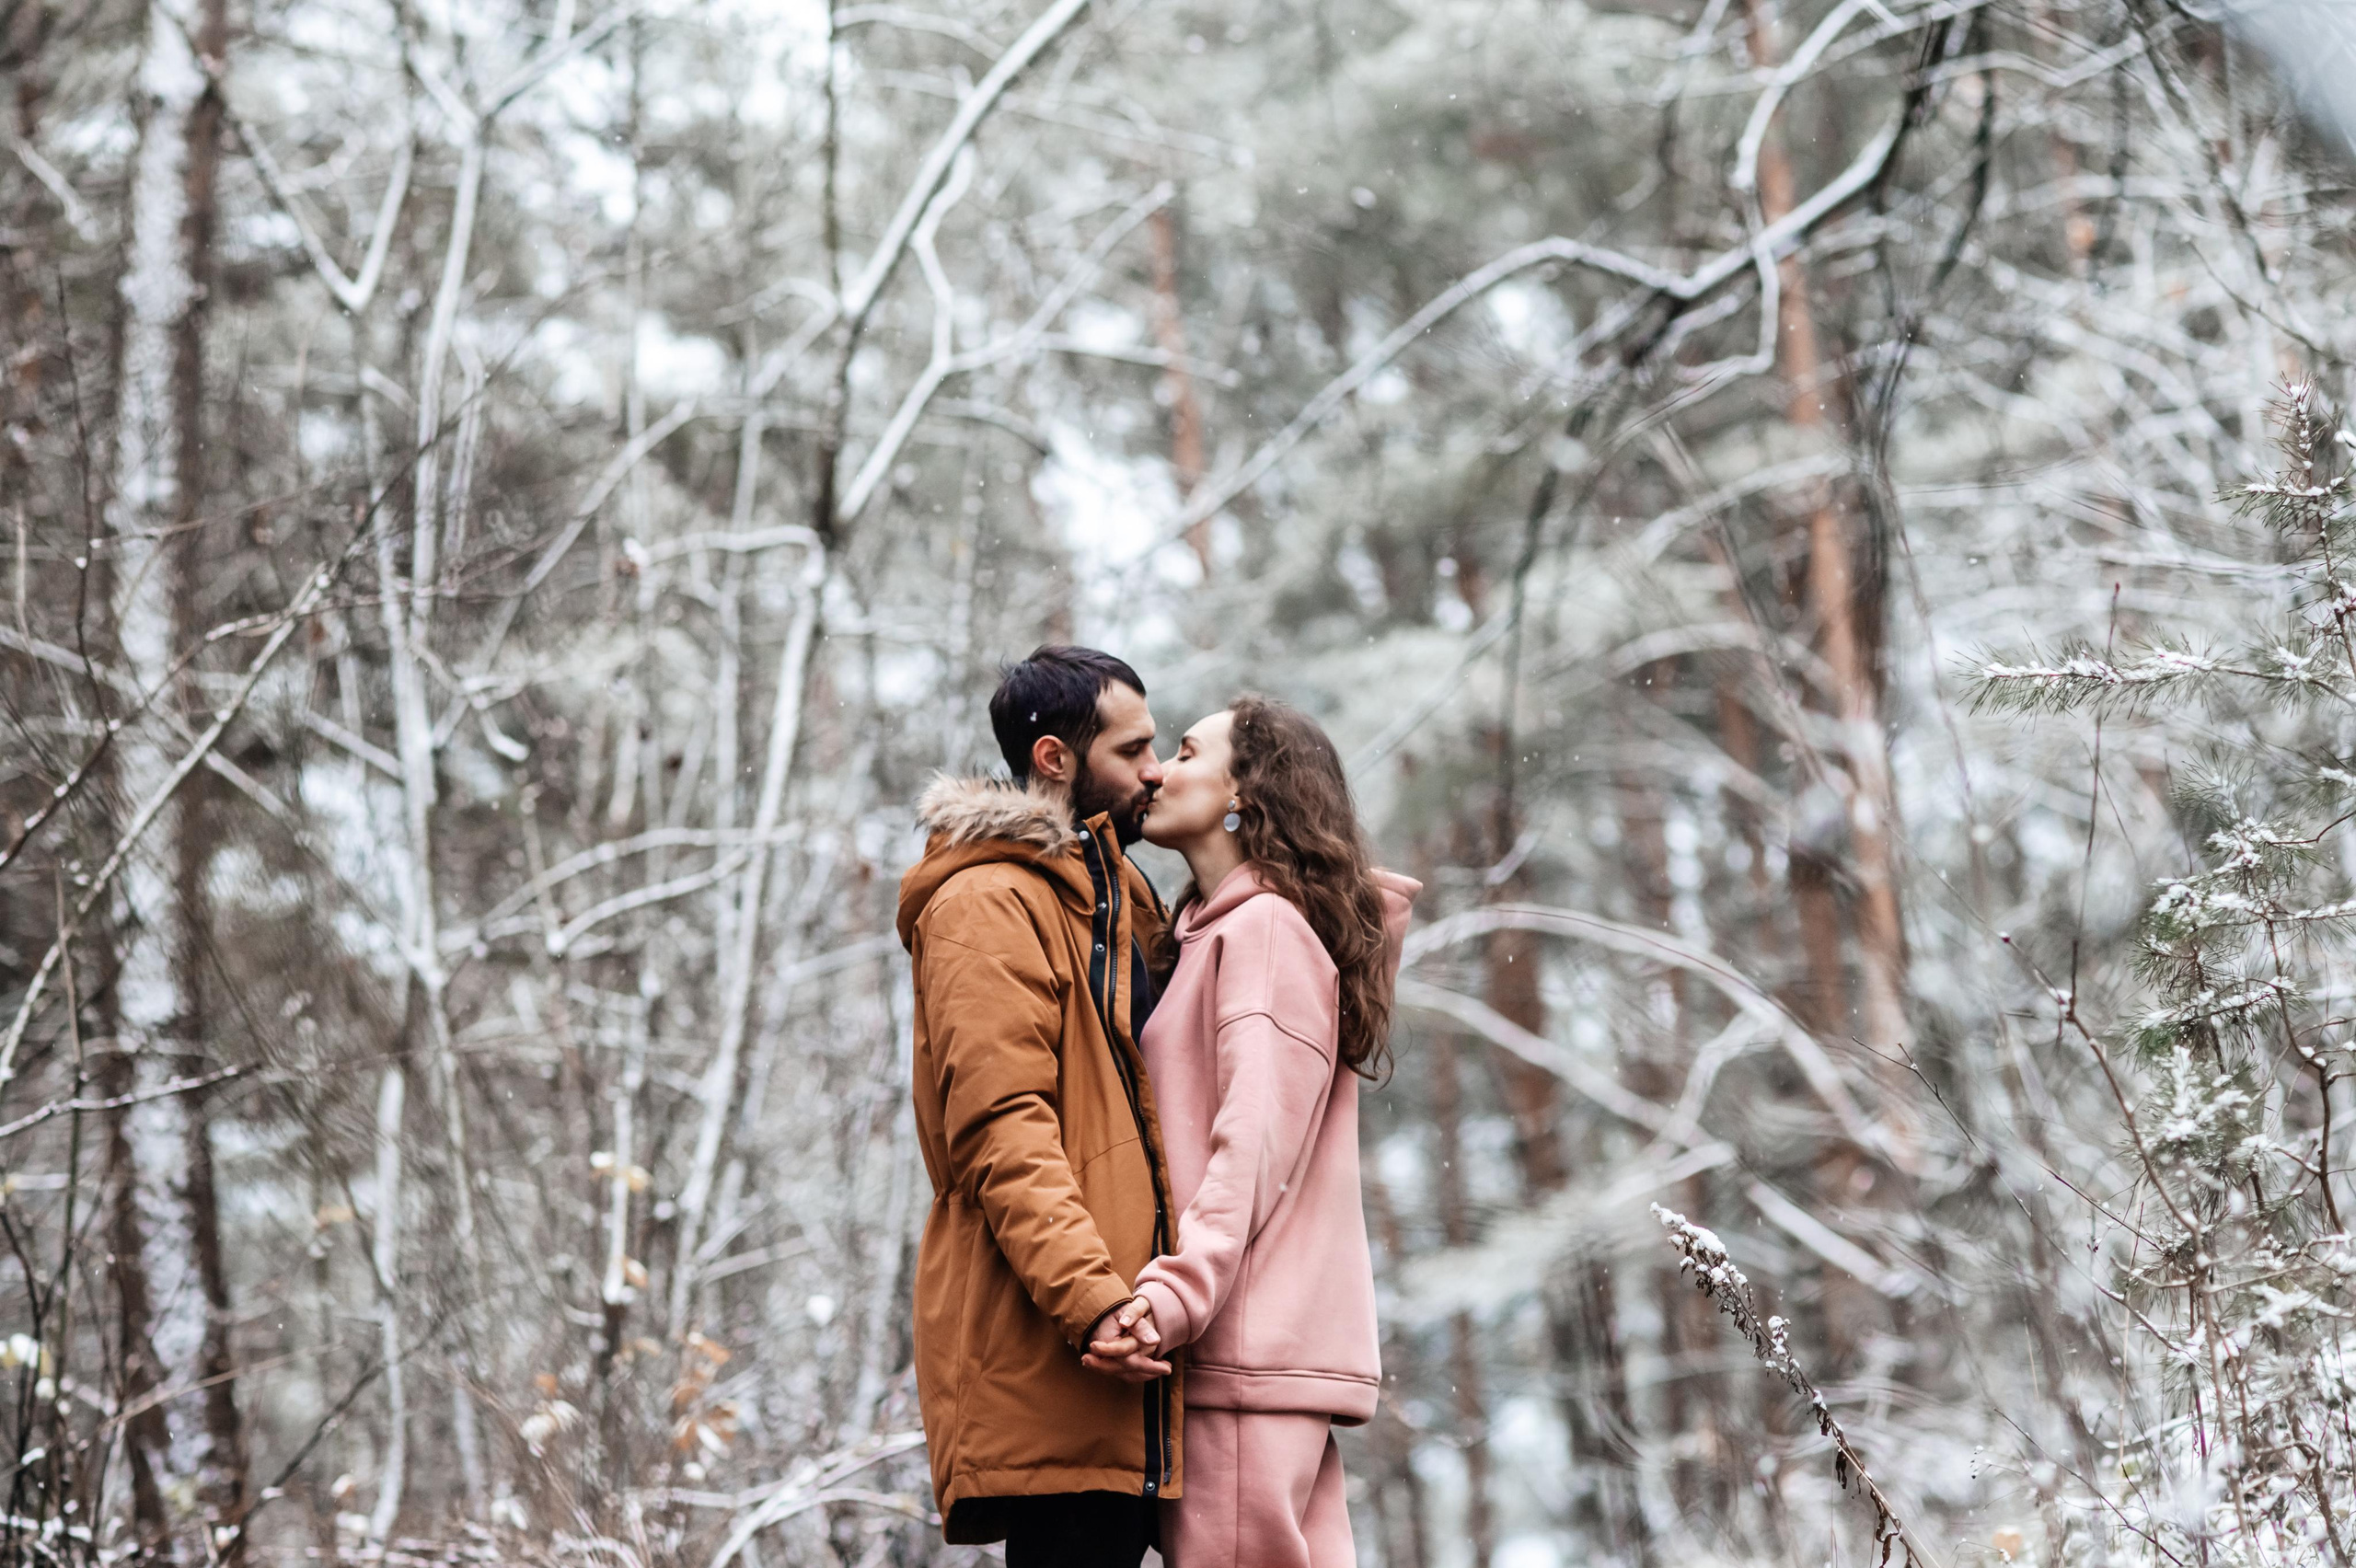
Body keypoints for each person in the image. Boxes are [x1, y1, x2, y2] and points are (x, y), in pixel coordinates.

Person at [1084, 695, 1420, 1568]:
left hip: (1240, 1347)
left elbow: (1251, 1148)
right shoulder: (1212, 932)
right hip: (1254, 1347)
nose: (1158, 769)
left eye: (1187, 752)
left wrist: (1174, 1297)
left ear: (1247, 793)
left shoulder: (1265, 931)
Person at [895, 645, 1183, 1568]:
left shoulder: (1117, 898)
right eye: (1132, 750)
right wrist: (1092, 1301)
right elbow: (1001, 1128)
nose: (1155, 771)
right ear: (1054, 759)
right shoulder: (984, 903)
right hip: (1055, 1339)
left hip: (1132, 1349)